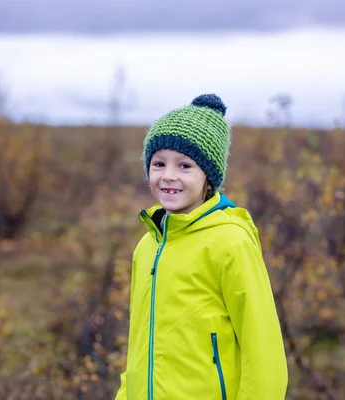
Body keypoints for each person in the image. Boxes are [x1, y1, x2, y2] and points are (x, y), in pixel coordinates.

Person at [114, 93, 288, 400]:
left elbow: (263, 352)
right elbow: (139, 342)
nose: (168, 176)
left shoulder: (230, 242)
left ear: (209, 177)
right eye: (158, 164)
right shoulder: (147, 246)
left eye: (184, 166)